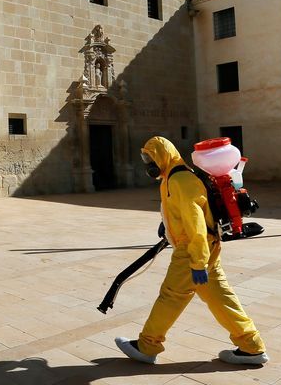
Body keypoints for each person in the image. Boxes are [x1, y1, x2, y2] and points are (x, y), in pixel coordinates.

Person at [115, 136, 269, 366]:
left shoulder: (180, 180)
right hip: (204, 248)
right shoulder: (172, 177)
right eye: (145, 159)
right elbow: (183, 213)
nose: (148, 164)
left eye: (150, 158)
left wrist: (197, 262)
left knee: (171, 296)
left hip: (193, 250)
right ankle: (252, 347)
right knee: (221, 299)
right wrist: (168, 227)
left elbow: (196, 224)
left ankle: (147, 346)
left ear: (163, 156)